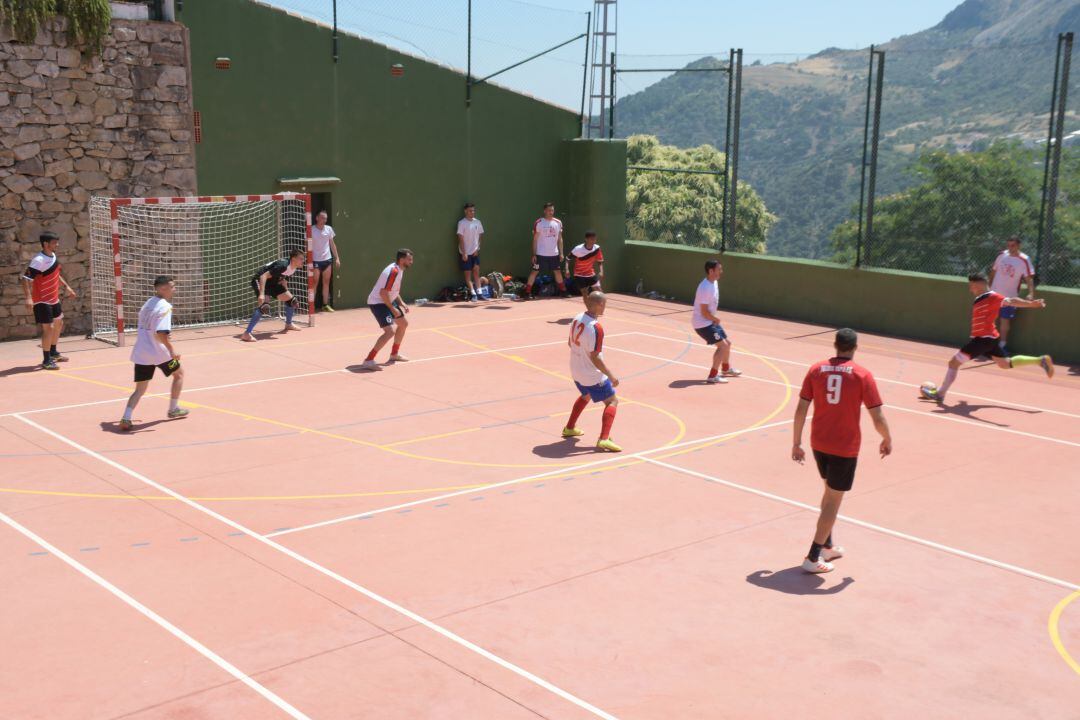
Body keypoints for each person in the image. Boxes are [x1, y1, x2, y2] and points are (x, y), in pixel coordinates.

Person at [792, 328, 892, 574]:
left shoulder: (816, 370)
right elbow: (876, 415)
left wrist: (797, 442)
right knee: (833, 501)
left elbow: (801, 409)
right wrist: (886, 437)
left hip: (819, 443)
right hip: (843, 447)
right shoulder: (862, 375)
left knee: (829, 493)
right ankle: (813, 556)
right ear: (855, 347)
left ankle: (827, 546)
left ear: (835, 345)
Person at [920, 273, 1052, 404]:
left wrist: (1031, 304)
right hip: (991, 338)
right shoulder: (983, 298)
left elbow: (1011, 301)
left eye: (971, 286)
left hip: (982, 340)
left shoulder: (992, 296)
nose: (970, 289)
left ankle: (940, 394)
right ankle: (1039, 361)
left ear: (978, 285)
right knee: (1005, 364)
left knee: (953, 363)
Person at [119, 276, 188, 431]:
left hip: (142, 352)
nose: (174, 289)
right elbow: (161, 333)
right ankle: (173, 408)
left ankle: (126, 417)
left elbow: (152, 328)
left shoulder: (148, 303)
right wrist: (172, 350)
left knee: (140, 389)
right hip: (160, 353)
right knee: (179, 374)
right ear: (163, 289)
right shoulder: (165, 307)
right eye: (172, 286)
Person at [562, 291, 621, 452]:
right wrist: (611, 375)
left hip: (575, 370)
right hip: (591, 374)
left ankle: (569, 428)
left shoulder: (577, 317)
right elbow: (595, 357)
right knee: (612, 401)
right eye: (604, 304)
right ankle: (603, 439)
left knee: (586, 395)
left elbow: (569, 343)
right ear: (597, 304)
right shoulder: (596, 328)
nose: (604, 307)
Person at [21, 231, 76, 370]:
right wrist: (28, 298)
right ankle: (46, 361)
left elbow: (55, 274)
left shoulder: (53, 256)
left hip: (53, 299)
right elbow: (25, 279)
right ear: (46, 244)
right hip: (41, 300)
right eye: (54, 242)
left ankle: (53, 353)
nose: (57, 244)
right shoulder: (38, 260)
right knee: (48, 328)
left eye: (57, 242)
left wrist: (67, 287)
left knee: (59, 323)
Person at [361, 249, 414, 370]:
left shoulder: (399, 269)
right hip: (378, 302)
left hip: (387, 300)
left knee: (403, 324)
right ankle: (368, 360)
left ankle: (394, 354)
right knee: (389, 331)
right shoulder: (394, 271)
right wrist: (392, 308)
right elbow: (383, 293)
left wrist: (401, 303)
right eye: (409, 259)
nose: (411, 262)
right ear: (402, 260)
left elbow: (393, 290)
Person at [691, 259, 741, 384]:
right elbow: (703, 312)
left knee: (727, 344)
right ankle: (712, 376)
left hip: (709, 321)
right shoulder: (705, 288)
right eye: (719, 269)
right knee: (722, 346)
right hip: (702, 323)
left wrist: (713, 319)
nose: (721, 272)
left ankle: (726, 369)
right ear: (711, 271)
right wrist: (715, 319)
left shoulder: (714, 282)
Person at [240, 249, 306, 342]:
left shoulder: (293, 267)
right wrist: (262, 294)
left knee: (292, 302)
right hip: (261, 280)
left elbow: (284, 281)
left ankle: (288, 324)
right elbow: (263, 276)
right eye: (301, 259)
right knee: (264, 307)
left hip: (273, 282)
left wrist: (288, 295)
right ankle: (246, 334)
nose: (303, 261)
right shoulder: (283, 265)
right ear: (294, 259)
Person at [987, 235, 1035, 355]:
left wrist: (1031, 293)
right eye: (1008, 245)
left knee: (1005, 321)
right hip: (994, 294)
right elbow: (993, 271)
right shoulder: (1002, 255)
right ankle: (987, 345)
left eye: (1013, 245)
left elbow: (1029, 278)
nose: (1010, 248)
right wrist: (987, 288)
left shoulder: (1024, 259)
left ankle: (1002, 346)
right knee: (989, 320)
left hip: (1010, 297)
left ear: (1018, 245)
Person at [523, 202, 565, 299]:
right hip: (540, 254)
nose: (551, 212)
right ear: (544, 211)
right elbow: (535, 239)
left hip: (554, 254)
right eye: (549, 210)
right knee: (534, 272)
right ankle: (527, 292)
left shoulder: (558, 222)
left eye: (552, 210)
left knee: (557, 272)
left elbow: (560, 239)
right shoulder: (539, 223)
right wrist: (534, 254)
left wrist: (561, 253)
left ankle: (563, 291)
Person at [311, 210, 340, 312]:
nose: (324, 220)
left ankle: (325, 305)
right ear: (317, 218)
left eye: (326, 218)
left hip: (327, 259)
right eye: (322, 218)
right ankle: (311, 306)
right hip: (315, 260)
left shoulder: (329, 229)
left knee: (326, 282)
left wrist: (337, 258)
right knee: (314, 282)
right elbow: (307, 245)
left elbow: (332, 244)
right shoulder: (311, 230)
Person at [456, 203, 485, 301]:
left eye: (473, 210)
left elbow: (480, 236)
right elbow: (460, 238)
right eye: (470, 210)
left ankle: (480, 293)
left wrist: (478, 249)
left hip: (475, 253)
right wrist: (464, 253)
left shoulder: (478, 222)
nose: (472, 212)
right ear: (465, 211)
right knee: (468, 275)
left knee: (476, 272)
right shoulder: (462, 223)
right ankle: (473, 294)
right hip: (465, 253)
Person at [569, 231, 605, 301]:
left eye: (594, 239)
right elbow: (568, 259)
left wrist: (601, 271)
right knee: (585, 293)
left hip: (591, 274)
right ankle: (589, 310)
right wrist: (567, 270)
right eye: (591, 239)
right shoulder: (578, 249)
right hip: (579, 275)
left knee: (600, 292)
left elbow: (600, 261)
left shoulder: (597, 248)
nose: (593, 241)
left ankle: (600, 310)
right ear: (586, 239)